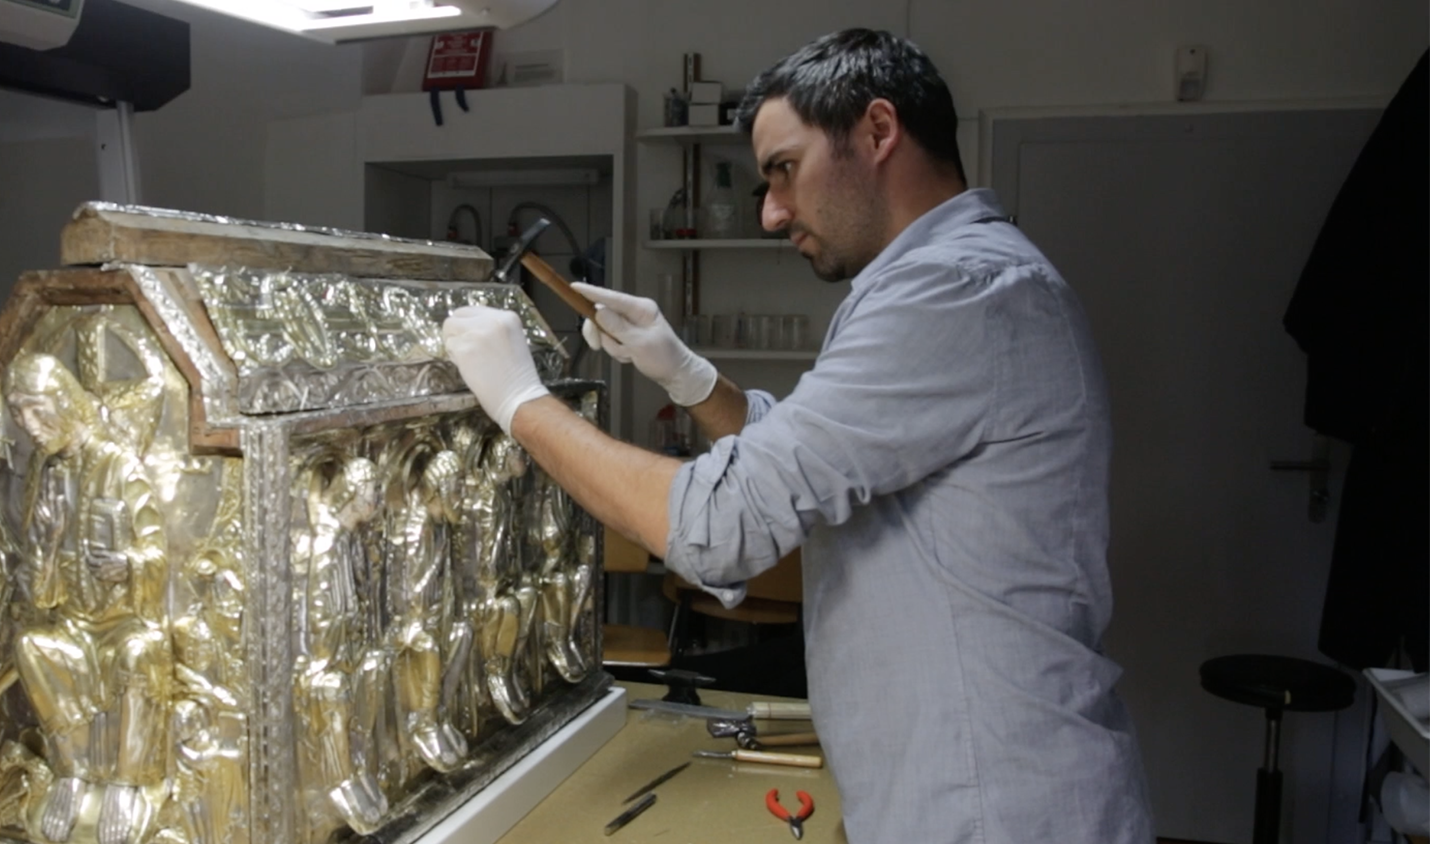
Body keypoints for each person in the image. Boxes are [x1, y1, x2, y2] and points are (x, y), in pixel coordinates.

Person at [441, 28, 1153, 843]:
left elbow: (722, 527)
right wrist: (691, 379)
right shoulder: (950, 278)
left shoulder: (957, 291)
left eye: (784, 169)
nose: (773, 212)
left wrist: (522, 404)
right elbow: (823, 461)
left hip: (990, 804)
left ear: (879, 131)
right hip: (949, 787)